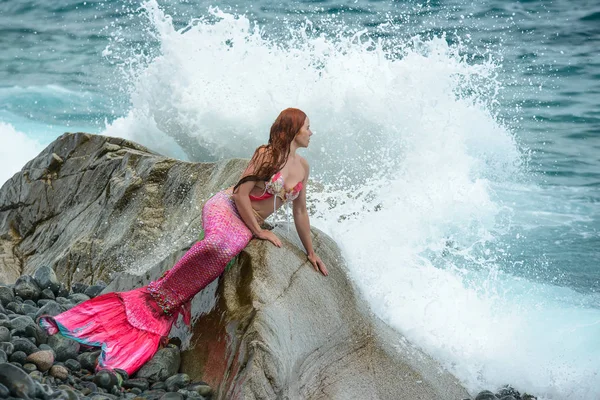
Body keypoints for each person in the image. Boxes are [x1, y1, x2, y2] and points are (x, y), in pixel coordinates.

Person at [38, 108, 328, 376]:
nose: (311, 132)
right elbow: (240, 194)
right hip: (228, 208)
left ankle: (167, 303)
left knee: (226, 251)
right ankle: (159, 296)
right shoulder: (265, 154)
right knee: (217, 245)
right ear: (291, 131)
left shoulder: (303, 166)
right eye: (307, 127)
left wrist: (311, 252)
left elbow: (300, 211)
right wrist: (260, 231)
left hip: (246, 222)